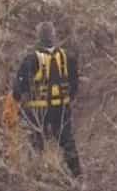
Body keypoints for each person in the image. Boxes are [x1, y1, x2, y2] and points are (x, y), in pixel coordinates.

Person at [10, 21, 81, 177]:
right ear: (53, 36)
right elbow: (75, 83)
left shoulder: (30, 58)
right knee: (67, 142)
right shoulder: (67, 57)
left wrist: (17, 101)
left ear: (38, 37)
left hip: (38, 110)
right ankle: (78, 177)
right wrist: (70, 99)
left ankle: (37, 176)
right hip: (61, 109)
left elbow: (19, 85)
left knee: (36, 144)